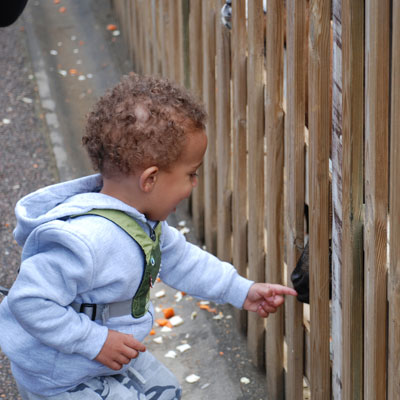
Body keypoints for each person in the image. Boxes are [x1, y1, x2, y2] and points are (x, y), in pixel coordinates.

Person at [0, 74, 297, 400]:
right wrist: (95, 342)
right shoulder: (87, 241)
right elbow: (29, 301)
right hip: (60, 375)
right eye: (191, 174)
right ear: (150, 179)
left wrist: (241, 290)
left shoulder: (141, 224)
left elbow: (183, 260)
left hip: (98, 356)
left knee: (168, 390)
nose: (194, 184)